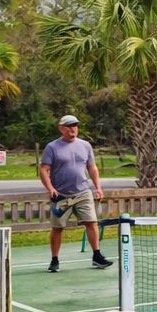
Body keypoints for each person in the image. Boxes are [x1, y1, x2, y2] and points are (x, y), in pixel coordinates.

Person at [38, 114, 110, 273]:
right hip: (61, 195)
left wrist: (98, 187)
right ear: (61, 128)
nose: (73, 129)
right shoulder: (52, 147)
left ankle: (97, 256)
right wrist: (51, 189)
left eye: (75, 125)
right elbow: (44, 169)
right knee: (58, 227)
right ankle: (54, 260)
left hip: (83, 192)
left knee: (92, 222)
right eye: (69, 126)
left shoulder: (85, 145)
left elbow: (92, 167)